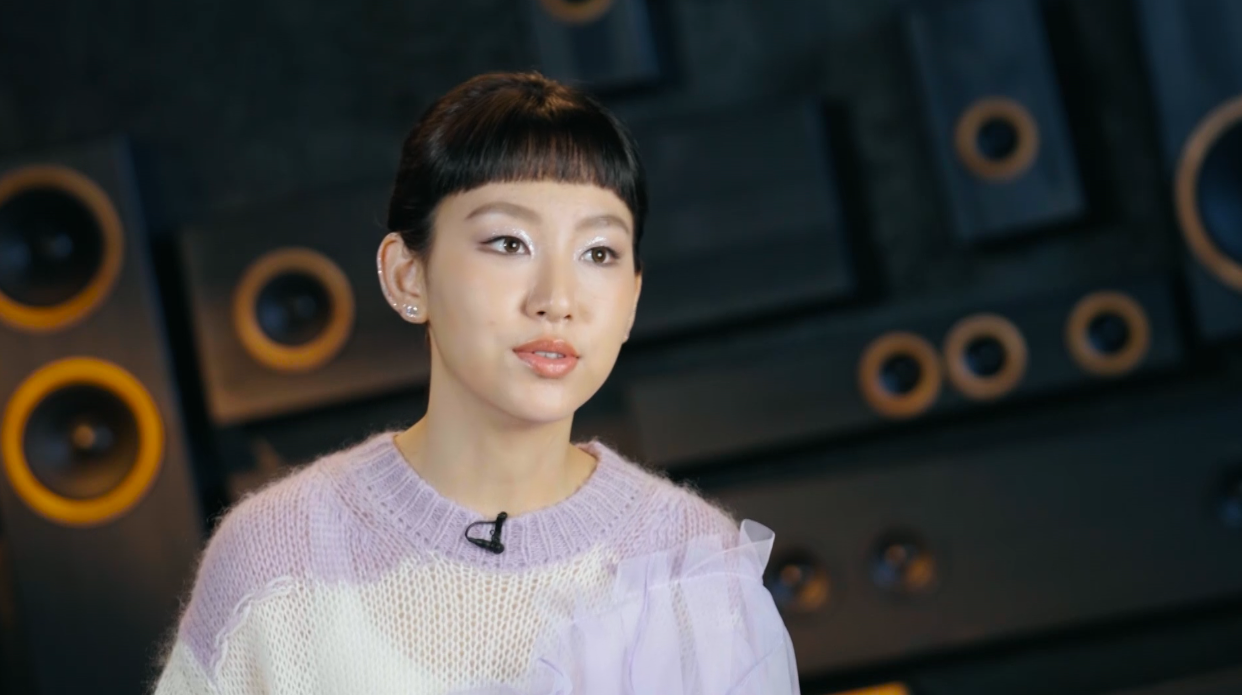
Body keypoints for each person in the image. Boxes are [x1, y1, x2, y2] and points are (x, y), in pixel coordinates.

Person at [151, 71, 799, 695]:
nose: (557, 299)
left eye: (598, 252)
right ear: (408, 275)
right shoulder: (277, 555)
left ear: (631, 299)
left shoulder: (692, 564)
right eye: (509, 243)